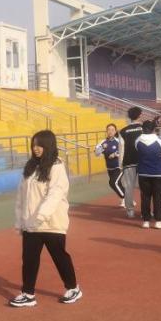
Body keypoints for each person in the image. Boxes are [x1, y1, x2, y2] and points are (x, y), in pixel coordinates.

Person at [10, 131, 82, 308]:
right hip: (31, 224)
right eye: (34, 145)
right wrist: (20, 221)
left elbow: (55, 194)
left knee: (59, 257)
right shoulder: (30, 167)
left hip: (51, 223)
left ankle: (73, 288)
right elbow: (21, 196)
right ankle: (28, 293)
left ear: (48, 145)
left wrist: (41, 215)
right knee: (29, 259)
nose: (36, 148)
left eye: (40, 145)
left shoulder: (56, 166)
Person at [135, 120, 161, 228]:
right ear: (154, 129)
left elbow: (138, 152)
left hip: (143, 173)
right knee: (158, 197)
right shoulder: (159, 141)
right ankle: (158, 221)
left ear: (142, 129)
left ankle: (146, 221)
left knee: (145, 197)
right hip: (158, 173)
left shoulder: (137, 140)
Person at [118, 107, 144, 218]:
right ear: (140, 115)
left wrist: (120, 164)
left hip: (128, 162)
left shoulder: (123, 131)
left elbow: (121, 148)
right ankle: (145, 210)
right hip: (143, 161)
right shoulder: (144, 128)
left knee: (129, 187)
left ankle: (130, 211)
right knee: (145, 187)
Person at [94, 124, 124, 204]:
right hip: (110, 168)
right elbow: (96, 153)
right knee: (118, 183)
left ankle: (127, 198)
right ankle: (124, 199)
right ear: (106, 131)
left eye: (112, 130)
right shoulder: (103, 142)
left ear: (115, 131)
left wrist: (115, 154)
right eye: (109, 130)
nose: (110, 131)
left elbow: (124, 150)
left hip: (119, 167)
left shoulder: (118, 141)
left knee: (113, 183)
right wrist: (102, 147)